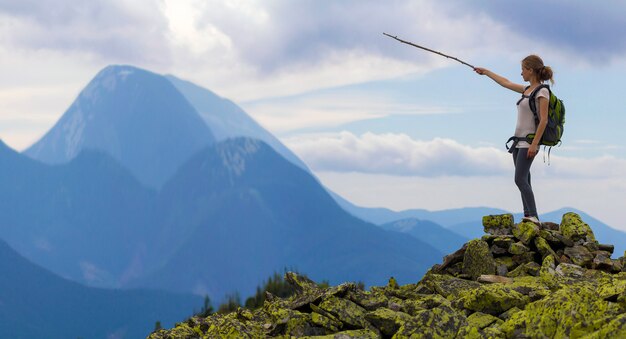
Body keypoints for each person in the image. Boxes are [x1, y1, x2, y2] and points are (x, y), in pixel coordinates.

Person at [474, 55, 554, 224]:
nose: (521, 73)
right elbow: (506, 83)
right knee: (525, 179)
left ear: (530, 70)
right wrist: (486, 72)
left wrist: (534, 144)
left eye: (523, 69)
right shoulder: (527, 90)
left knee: (519, 179)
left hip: (528, 142)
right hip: (518, 142)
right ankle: (529, 215)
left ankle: (533, 216)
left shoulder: (542, 91)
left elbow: (544, 120)